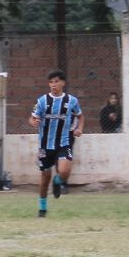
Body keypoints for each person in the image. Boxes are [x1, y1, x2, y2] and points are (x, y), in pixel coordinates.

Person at [29, 70, 84, 217]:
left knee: (65, 171)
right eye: (51, 82)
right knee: (44, 178)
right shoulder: (42, 101)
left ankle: (57, 181)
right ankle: (42, 209)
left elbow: (80, 116)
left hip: (63, 143)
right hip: (45, 145)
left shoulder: (72, 101)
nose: (53, 85)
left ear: (63, 83)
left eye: (56, 81)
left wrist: (79, 128)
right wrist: (34, 122)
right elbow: (32, 118)